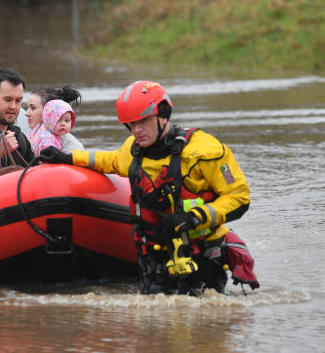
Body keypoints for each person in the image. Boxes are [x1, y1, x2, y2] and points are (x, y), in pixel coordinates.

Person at [39, 80, 259, 295]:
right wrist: (67, 157)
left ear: (163, 114)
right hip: (153, 258)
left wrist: (194, 217)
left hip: (202, 256)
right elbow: (111, 161)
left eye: (143, 121)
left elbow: (239, 197)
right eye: (131, 124)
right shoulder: (133, 149)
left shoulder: (205, 150)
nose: (136, 130)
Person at [24, 85, 85, 152]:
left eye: (33, 108)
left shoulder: (73, 148)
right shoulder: (32, 135)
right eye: (28, 108)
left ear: (49, 112)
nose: (26, 113)